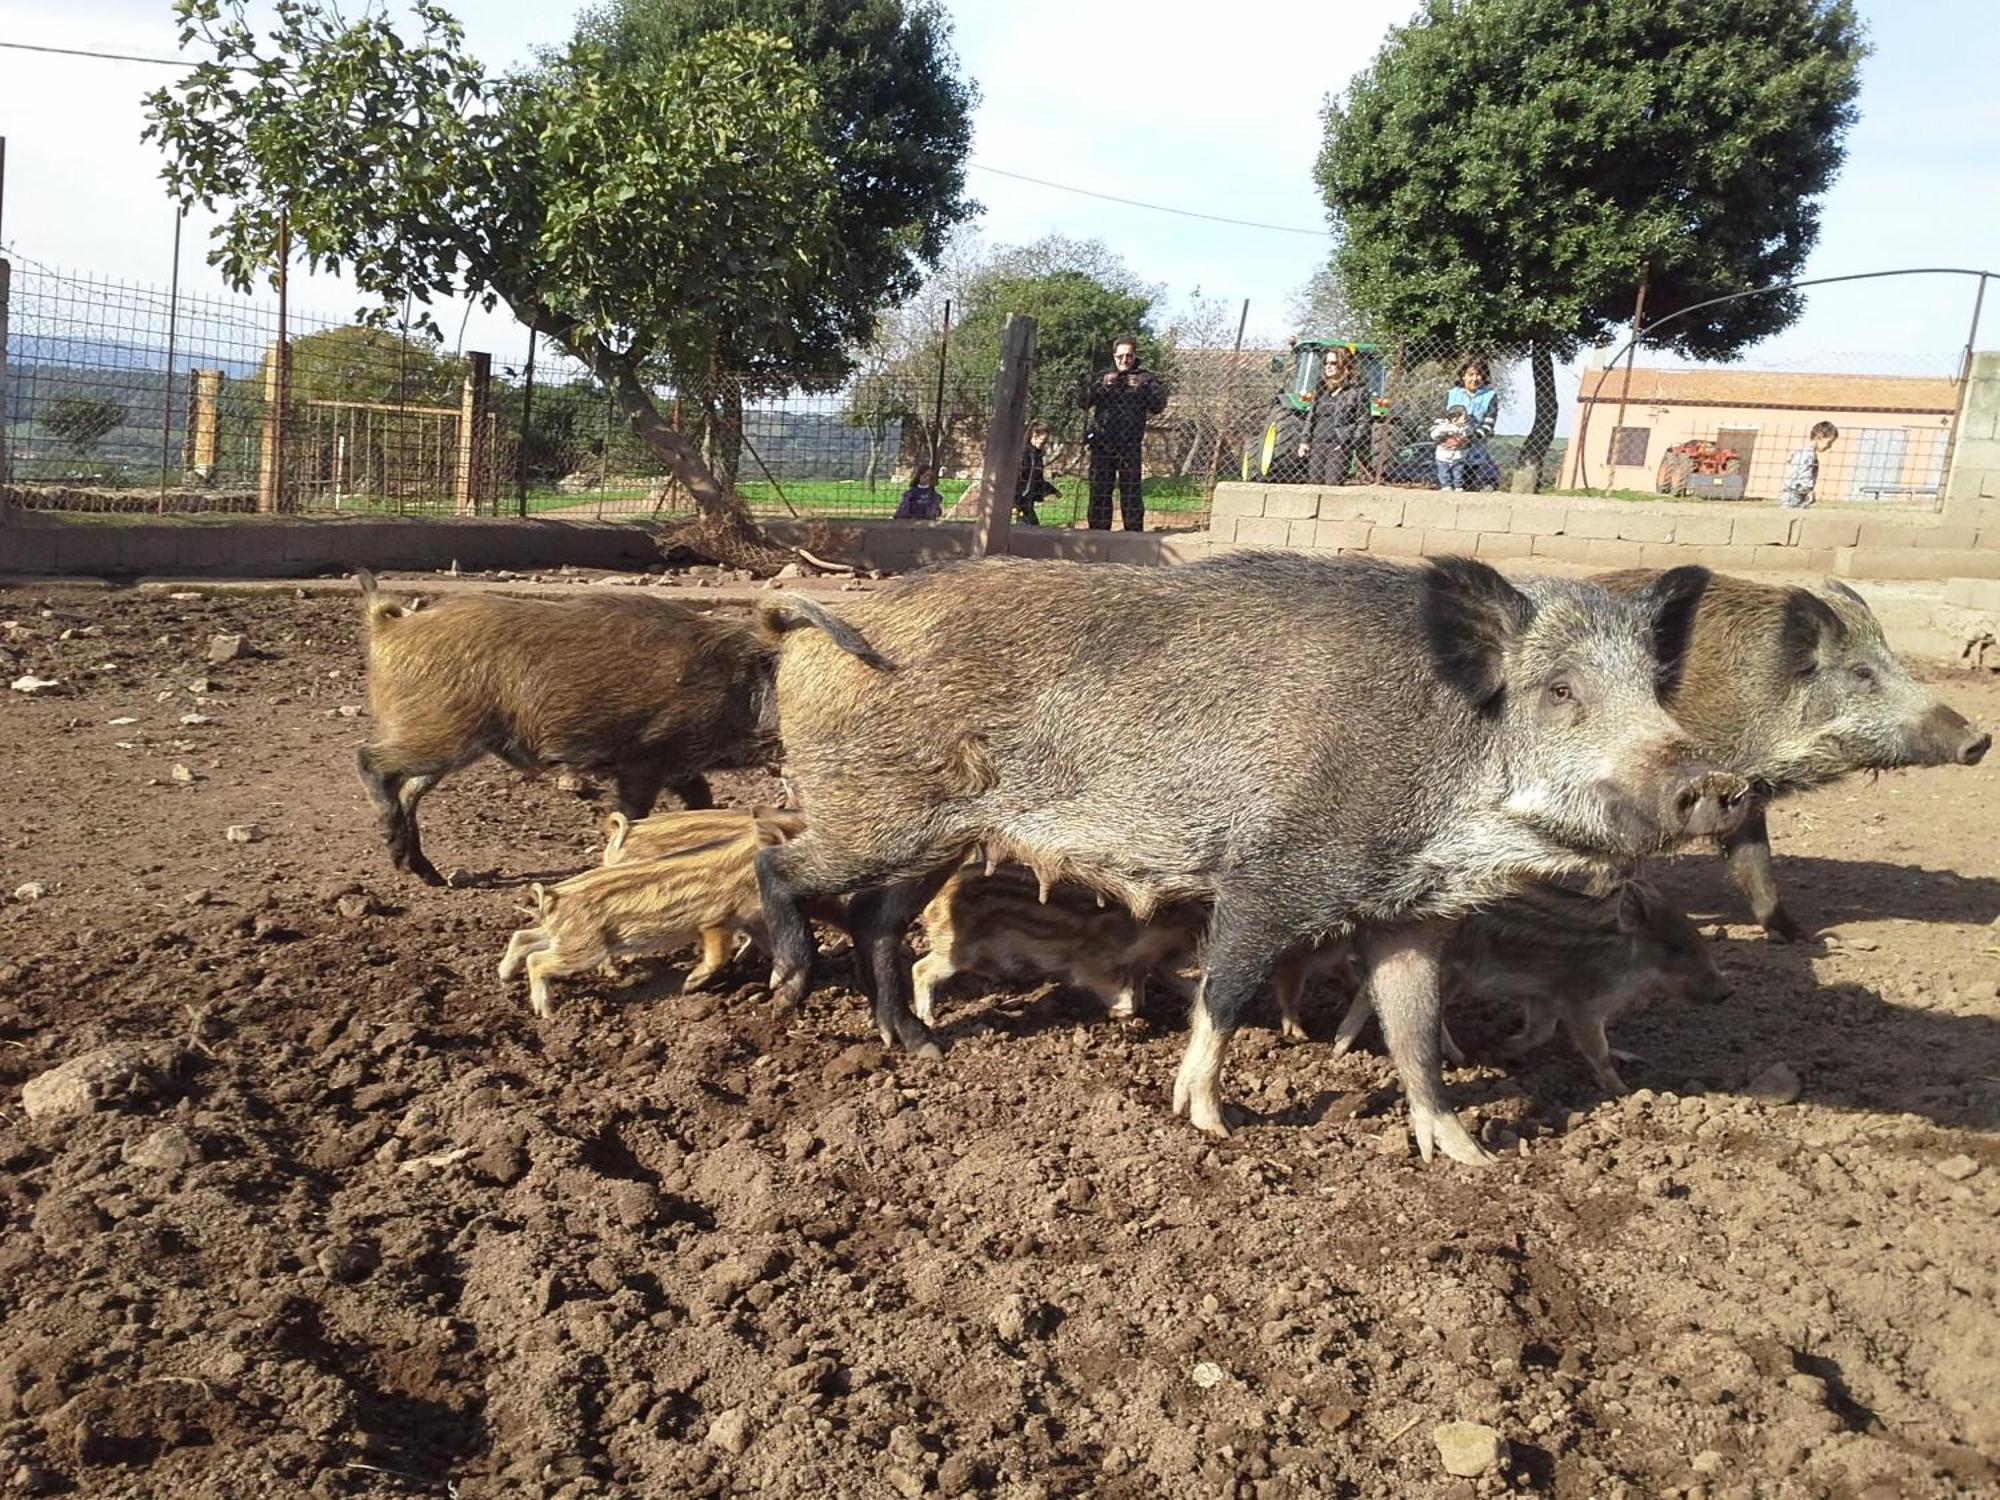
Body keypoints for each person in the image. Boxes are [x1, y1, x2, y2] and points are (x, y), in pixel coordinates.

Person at [1076, 337, 1167, 531]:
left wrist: (1142, 388)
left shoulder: (1146, 378)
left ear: (1135, 356)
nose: (1125, 360)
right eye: (1121, 356)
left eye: (1129, 356)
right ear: (1114, 356)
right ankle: (1098, 533)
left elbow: (1158, 406)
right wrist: (1102, 385)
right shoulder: (1104, 376)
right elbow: (1082, 401)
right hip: (1102, 444)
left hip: (1130, 445)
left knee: (1131, 491)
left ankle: (1133, 533)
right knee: (1100, 489)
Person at [1297, 346, 1371, 486]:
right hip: (1317, 445)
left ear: (1344, 365)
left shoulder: (1357, 391)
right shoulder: (1322, 388)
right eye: (1326, 363)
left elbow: (1363, 421)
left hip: (1338, 446)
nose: (1328, 366)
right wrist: (1304, 441)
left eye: (1333, 363)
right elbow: (1311, 417)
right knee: (1314, 485)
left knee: (1332, 485)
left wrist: (1348, 444)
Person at [1445, 359, 1501, 491]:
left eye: (1479, 375)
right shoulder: (1452, 394)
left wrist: (1469, 439)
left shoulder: (1490, 396)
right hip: (1450, 450)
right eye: (1471, 374)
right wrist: (1448, 438)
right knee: (1446, 486)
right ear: (1463, 376)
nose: (1475, 379)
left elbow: (1489, 424)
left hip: (1474, 451)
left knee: (1466, 487)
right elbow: (1442, 419)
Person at [1779, 421, 1839, 509]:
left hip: (1799, 493)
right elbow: (1802, 474)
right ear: (1819, 437)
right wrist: (1809, 490)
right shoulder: (1807, 454)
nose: (1829, 446)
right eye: (1829, 442)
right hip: (1794, 495)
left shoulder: (1806, 452)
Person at [1014, 422, 1059, 526]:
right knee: (1031, 525)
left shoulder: (1037, 455)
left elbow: (1037, 478)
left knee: (1028, 524)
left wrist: (1051, 489)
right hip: (1022, 497)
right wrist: (1017, 497)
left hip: (1027, 498)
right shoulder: (1026, 453)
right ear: (1034, 435)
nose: (1044, 444)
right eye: (1043, 441)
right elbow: (1021, 475)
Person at [1431, 407, 1473, 490]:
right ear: (1454, 419)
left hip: (1458, 455)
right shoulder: (1444, 426)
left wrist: (1464, 433)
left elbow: (1469, 434)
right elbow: (1434, 435)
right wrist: (1446, 431)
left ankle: (1458, 486)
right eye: (1463, 418)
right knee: (1443, 471)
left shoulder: (1465, 428)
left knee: (1458, 471)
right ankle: (1446, 485)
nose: (1465, 420)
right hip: (1443, 454)